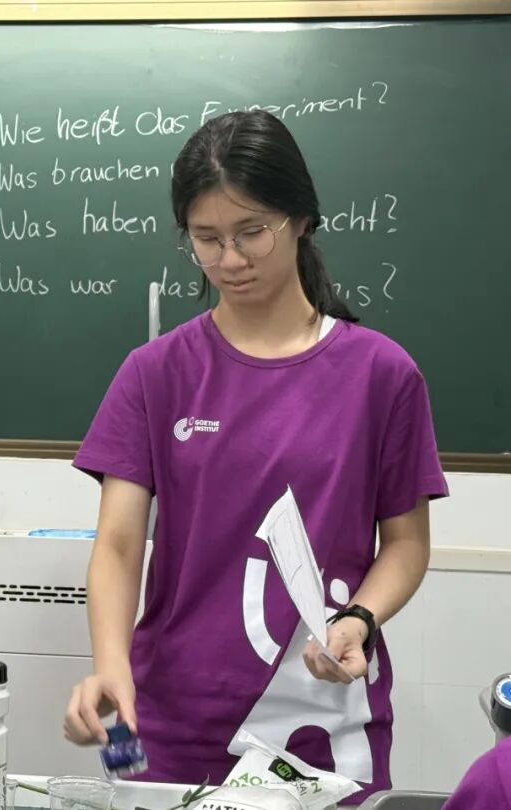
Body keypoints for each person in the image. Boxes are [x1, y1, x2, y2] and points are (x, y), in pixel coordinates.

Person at [63, 110, 447, 803]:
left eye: (251, 232)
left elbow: (406, 543)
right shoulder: (155, 373)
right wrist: (110, 667)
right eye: (206, 239)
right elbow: (118, 546)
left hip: (325, 724)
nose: (230, 260)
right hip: (171, 721)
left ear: (301, 219)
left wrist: (359, 619)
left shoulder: (381, 374)